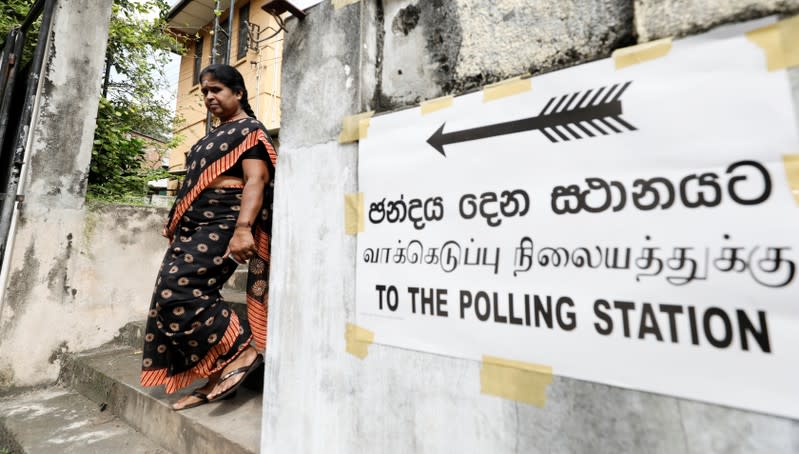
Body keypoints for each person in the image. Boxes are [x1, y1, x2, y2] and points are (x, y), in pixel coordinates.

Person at [139, 64, 277, 411]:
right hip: (194, 226)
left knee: (182, 292)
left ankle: (243, 348)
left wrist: (243, 228)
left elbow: (256, 182)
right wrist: (177, 217)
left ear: (238, 93)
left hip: (224, 222)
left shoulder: (250, 132)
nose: (209, 97)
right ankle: (214, 374)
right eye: (204, 91)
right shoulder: (209, 138)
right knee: (164, 298)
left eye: (216, 90)